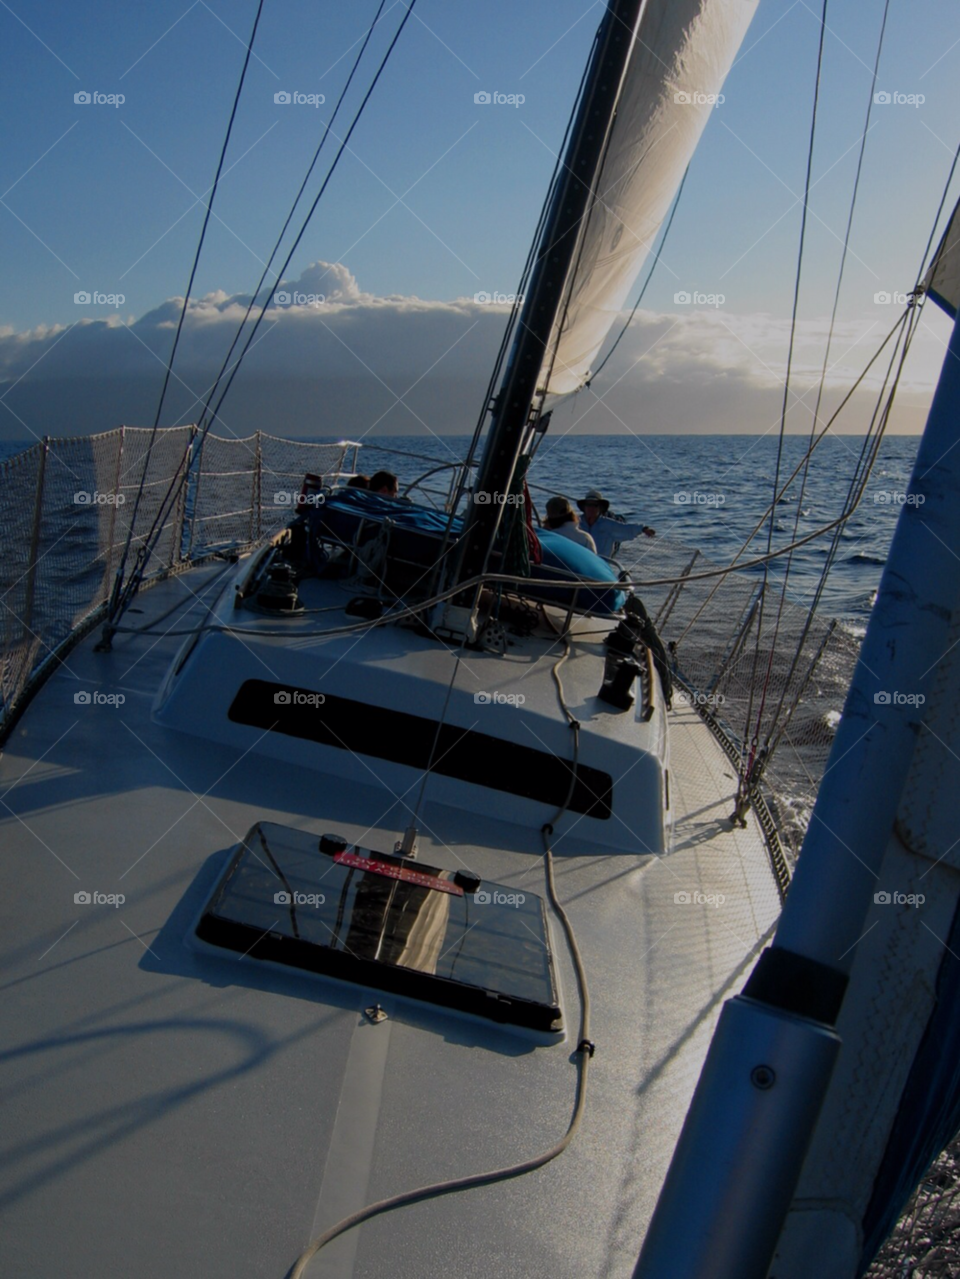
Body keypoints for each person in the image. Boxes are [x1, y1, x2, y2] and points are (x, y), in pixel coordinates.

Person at [577, 489, 654, 559]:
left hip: (600, 566)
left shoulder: (608, 525)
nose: (591, 508)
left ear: (600, 508)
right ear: (584, 507)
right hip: (580, 564)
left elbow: (627, 529)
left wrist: (643, 529)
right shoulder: (576, 523)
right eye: (588, 505)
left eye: (595, 505)